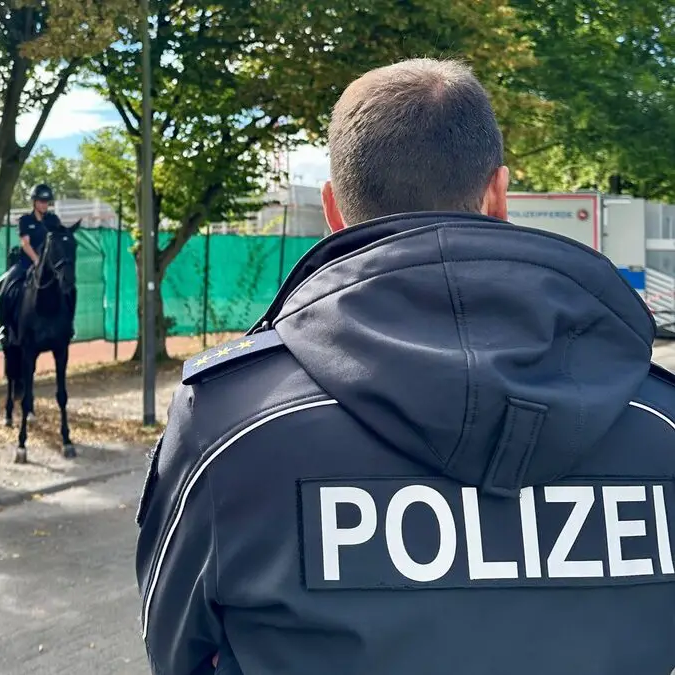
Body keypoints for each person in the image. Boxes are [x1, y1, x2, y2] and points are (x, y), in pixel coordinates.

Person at [135, 57, 674, 675]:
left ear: (334, 209)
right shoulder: (659, 421)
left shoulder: (231, 425)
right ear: (498, 194)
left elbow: (178, 653)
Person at [0, 183, 61, 346]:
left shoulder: (54, 220)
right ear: (34, 202)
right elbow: (25, 243)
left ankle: (66, 325)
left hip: (49, 266)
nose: (44, 204)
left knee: (66, 286)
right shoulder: (25, 220)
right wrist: (37, 261)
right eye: (41, 201)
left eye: (46, 201)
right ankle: (4, 327)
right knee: (4, 284)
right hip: (27, 262)